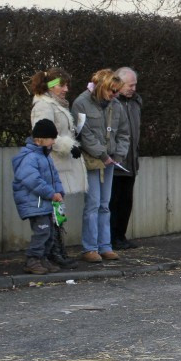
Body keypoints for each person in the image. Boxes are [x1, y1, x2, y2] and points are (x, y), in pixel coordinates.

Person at [72, 69, 130, 263]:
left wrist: (119, 154)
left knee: (105, 204)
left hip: (111, 160)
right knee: (93, 203)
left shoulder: (116, 105)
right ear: (102, 87)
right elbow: (84, 134)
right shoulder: (81, 103)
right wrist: (102, 154)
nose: (115, 95)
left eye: (117, 91)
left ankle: (105, 246)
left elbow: (123, 132)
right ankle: (90, 247)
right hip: (92, 160)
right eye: (112, 91)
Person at [30, 68, 84, 269]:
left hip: (58, 162)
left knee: (58, 208)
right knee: (53, 208)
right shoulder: (44, 105)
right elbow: (43, 134)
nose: (66, 89)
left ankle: (58, 250)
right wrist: (69, 146)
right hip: (52, 163)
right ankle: (53, 252)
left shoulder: (55, 104)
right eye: (62, 85)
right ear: (51, 86)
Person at [11, 120, 65, 275]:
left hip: (45, 203)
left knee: (48, 232)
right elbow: (33, 180)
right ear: (40, 139)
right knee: (42, 231)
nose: (54, 141)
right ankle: (32, 259)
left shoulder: (45, 156)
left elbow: (54, 176)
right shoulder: (30, 157)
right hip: (36, 203)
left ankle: (42, 258)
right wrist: (51, 193)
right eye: (51, 138)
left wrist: (59, 192)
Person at [110, 67, 142, 250]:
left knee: (126, 200)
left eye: (135, 84)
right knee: (113, 200)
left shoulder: (136, 102)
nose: (133, 88)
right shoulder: (113, 102)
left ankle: (121, 235)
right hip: (115, 161)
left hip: (131, 160)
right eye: (130, 85)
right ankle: (111, 237)